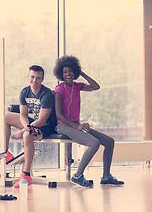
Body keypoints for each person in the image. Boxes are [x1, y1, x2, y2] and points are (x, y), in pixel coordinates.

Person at [53, 56, 124, 187]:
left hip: (75, 125)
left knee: (109, 142)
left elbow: (96, 86)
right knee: (94, 143)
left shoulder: (77, 86)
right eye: (65, 72)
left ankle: (106, 177)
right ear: (60, 74)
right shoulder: (59, 89)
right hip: (62, 126)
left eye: (71, 71)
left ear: (75, 71)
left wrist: (82, 74)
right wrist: (77, 126)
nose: (68, 74)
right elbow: (59, 115)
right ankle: (77, 176)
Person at [4, 65, 57, 188]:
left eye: (38, 78)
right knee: (5, 116)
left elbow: (42, 120)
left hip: (46, 126)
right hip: (33, 123)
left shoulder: (47, 94)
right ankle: (6, 154)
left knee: (27, 136)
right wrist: (26, 126)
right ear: (28, 77)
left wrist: (23, 132)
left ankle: (26, 175)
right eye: (32, 77)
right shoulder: (24, 92)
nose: (35, 80)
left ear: (42, 79)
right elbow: (23, 115)